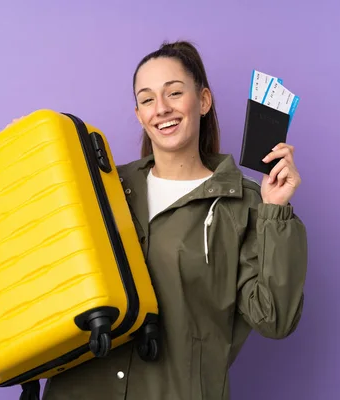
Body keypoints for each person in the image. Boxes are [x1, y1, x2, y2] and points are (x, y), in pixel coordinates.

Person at [20, 40, 308, 400]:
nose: (161, 109)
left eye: (174, 93)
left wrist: (276, 212)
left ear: (203, 101)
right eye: (147, 99)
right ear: (139, 114)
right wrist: (27, 163)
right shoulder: (102, 186)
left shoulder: (247, 203)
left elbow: (274, 318)